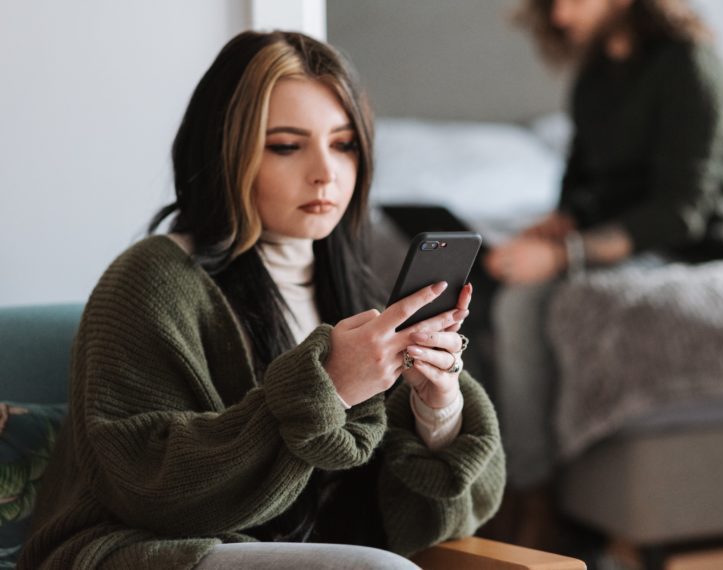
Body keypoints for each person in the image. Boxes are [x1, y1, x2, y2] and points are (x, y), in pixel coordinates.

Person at [19, 31, 505, 569]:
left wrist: (438, 412)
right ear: (226, 149)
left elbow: (453, 519)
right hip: (152, 553)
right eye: (286, 146)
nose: (326, 172)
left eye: (343, 144)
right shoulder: (151, 278)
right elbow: (145, 485)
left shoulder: (354, 294)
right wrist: (328, 389)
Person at [479, 0, 723, 549]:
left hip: (680, 242)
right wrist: (554, 226)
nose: (559, 14)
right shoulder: (596, 72)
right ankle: (485, 484)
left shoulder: (688, 64)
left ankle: (533, 499)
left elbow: (679, 211)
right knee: (486, 285)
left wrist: (563, 257)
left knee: (522, 305)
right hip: (606, 231)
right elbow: (581, 181)